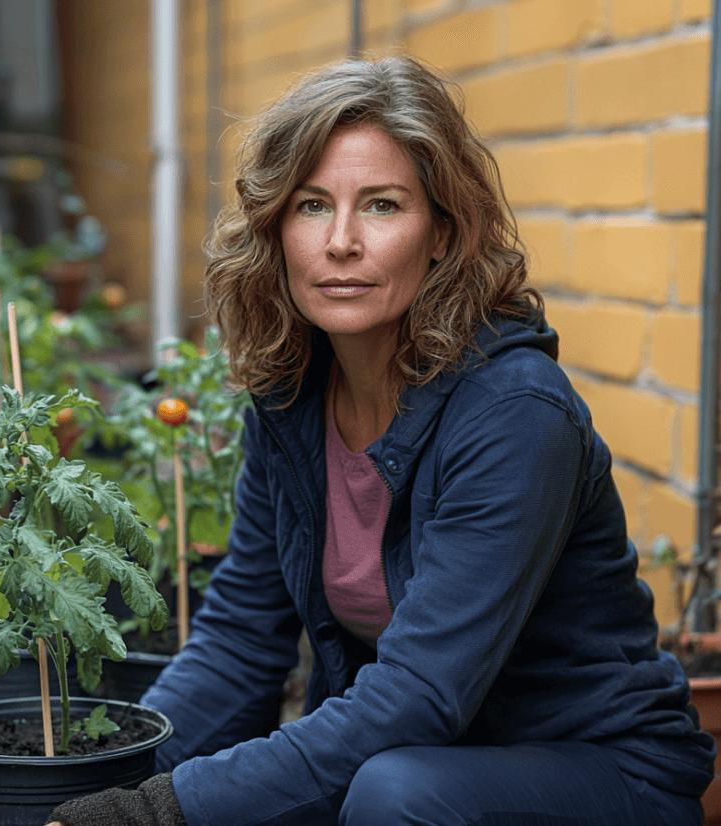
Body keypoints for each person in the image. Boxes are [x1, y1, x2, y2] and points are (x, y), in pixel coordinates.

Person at [46, 55, 715, 826]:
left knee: (391, 793)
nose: (340, 242)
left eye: (383, 206)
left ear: (442, 234)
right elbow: (238, 642)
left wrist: (153, 814)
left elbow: (419, 698)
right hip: (411, 766)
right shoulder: (292, 394)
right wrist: (99, 786)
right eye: (309, 206)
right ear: (275, 230)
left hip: (595, 773)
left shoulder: (516, 414)